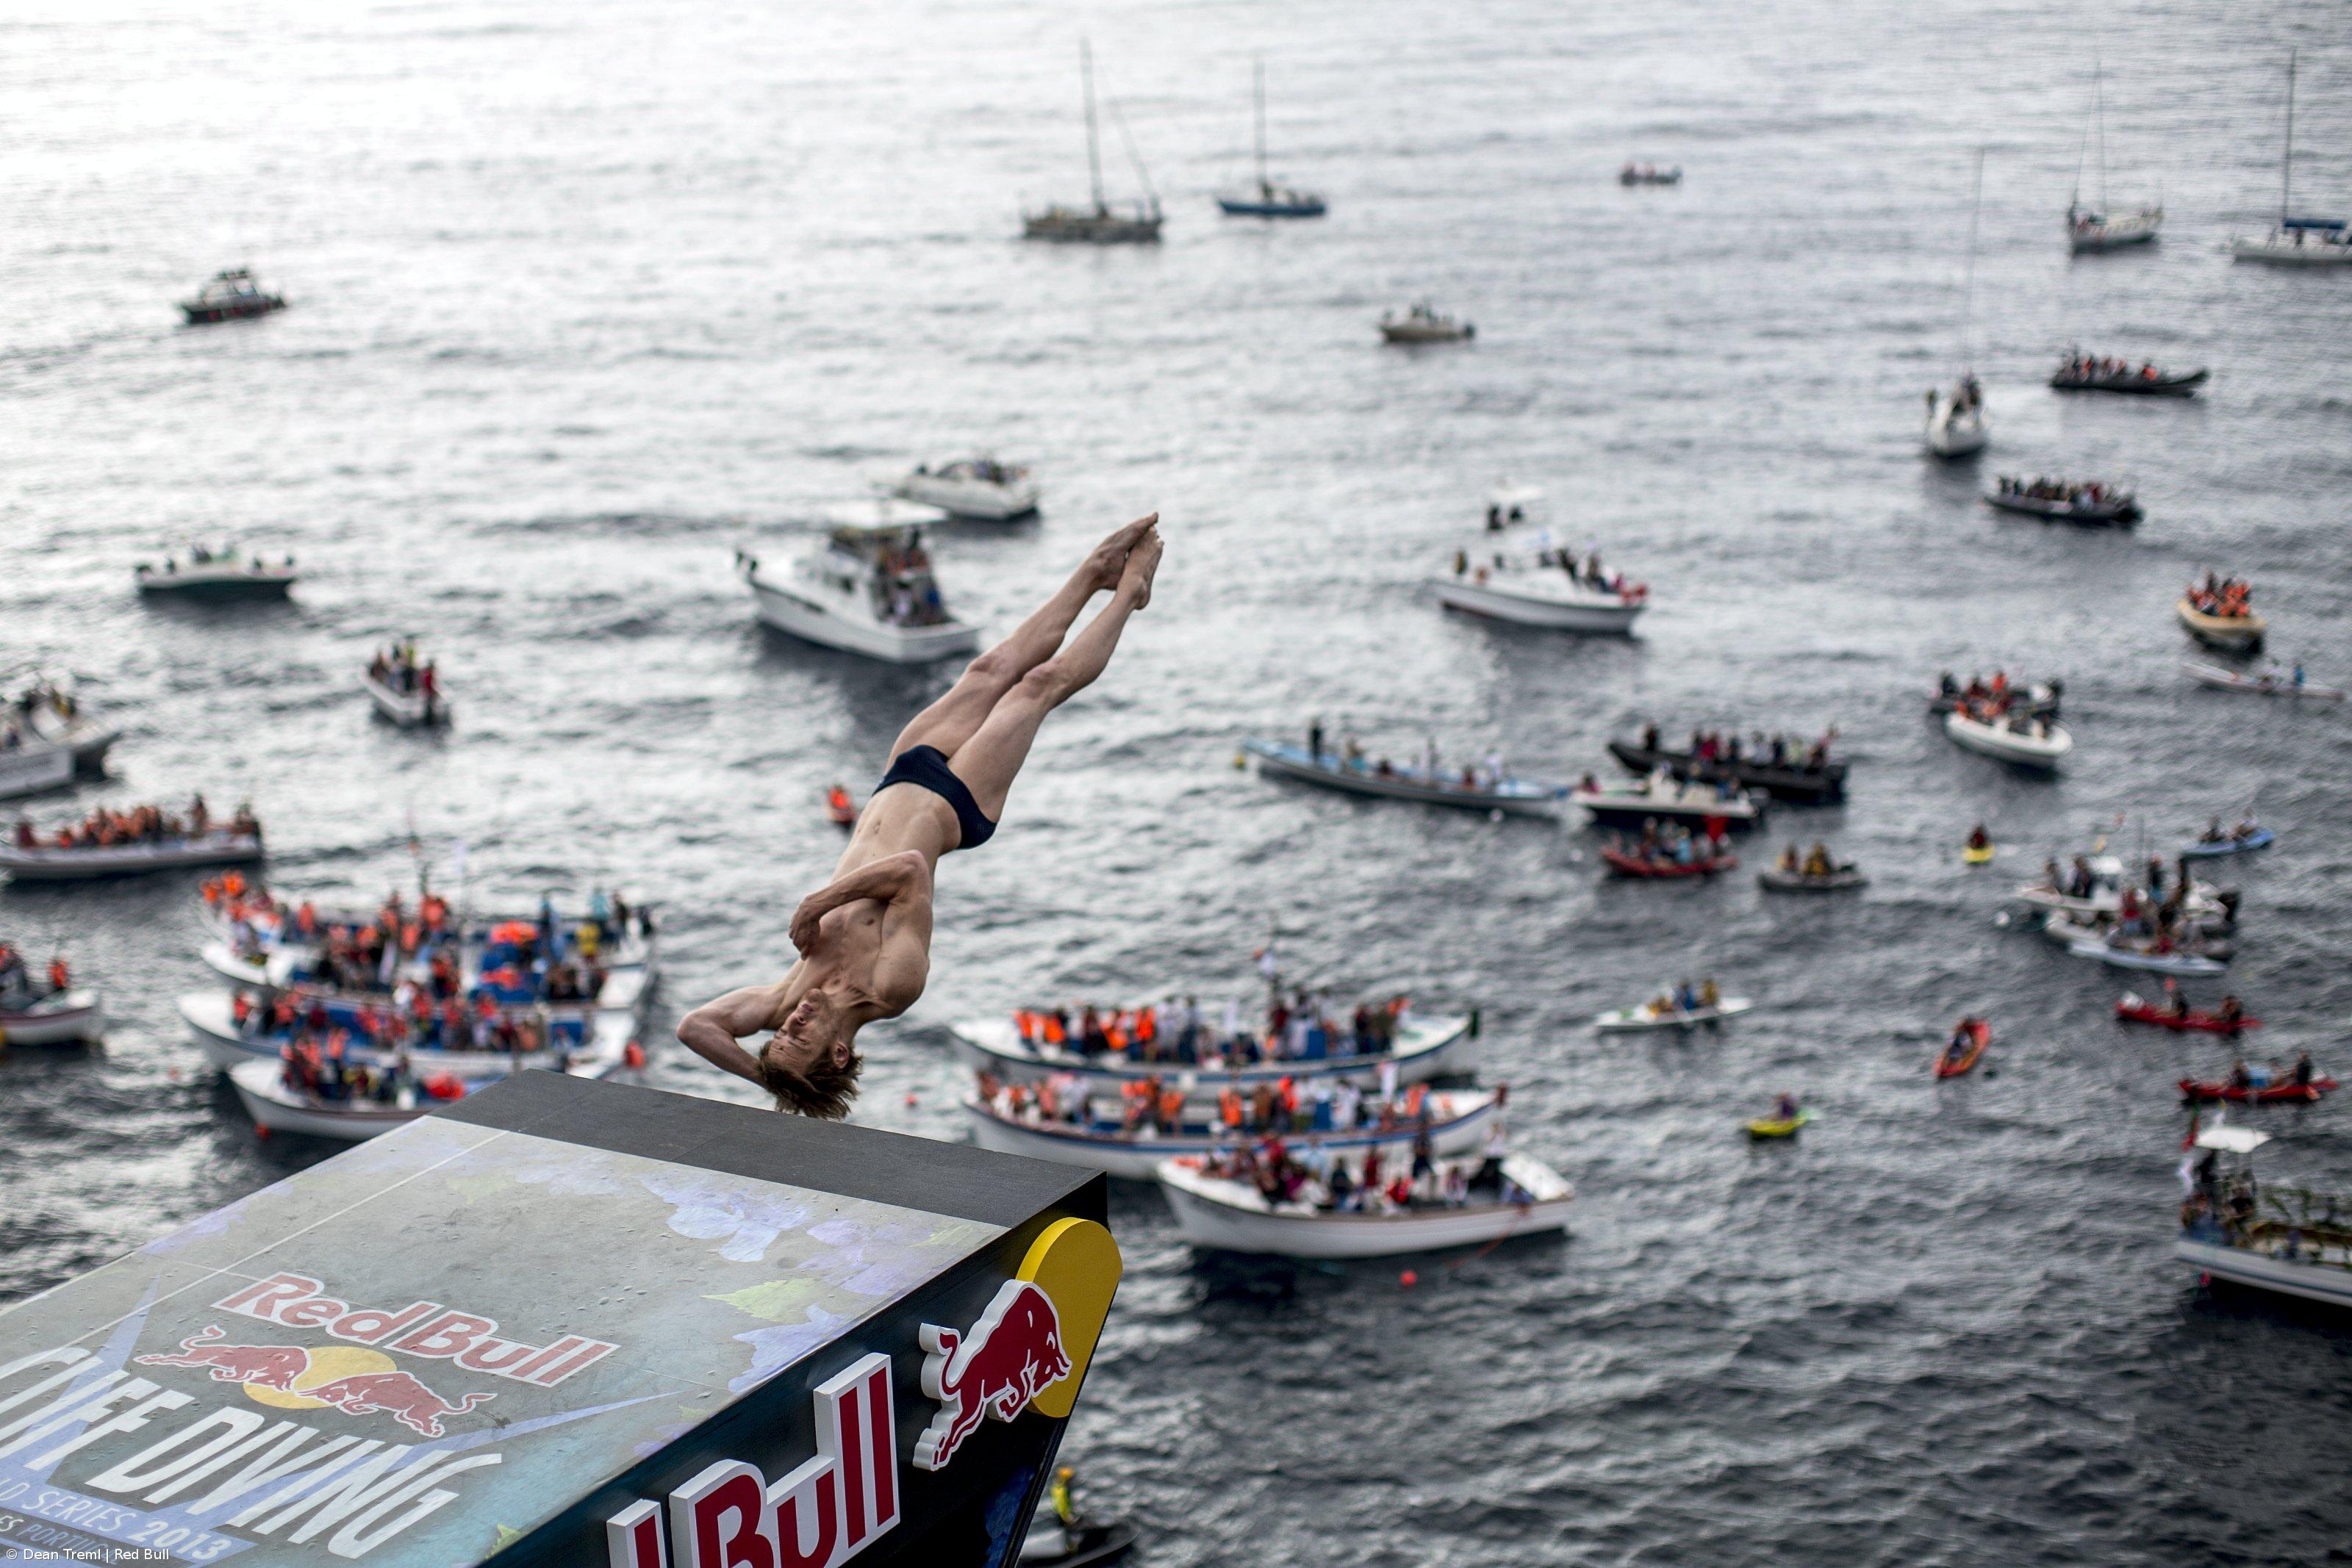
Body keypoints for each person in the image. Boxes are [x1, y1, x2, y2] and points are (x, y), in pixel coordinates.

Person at [677, 517, 1163, 1116]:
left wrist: (775, 1077)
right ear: (836, 1055)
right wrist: (816, 905)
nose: (791, 1023)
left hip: (900, 776)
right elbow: (908, 871)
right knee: (1038, 685)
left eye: (779, 1036)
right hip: (958, 804)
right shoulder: (891, 987)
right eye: (798, 1039)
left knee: (990, 669)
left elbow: (696, 1027)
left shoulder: (783, 999)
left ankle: (1093, 572)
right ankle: (1128, 595)